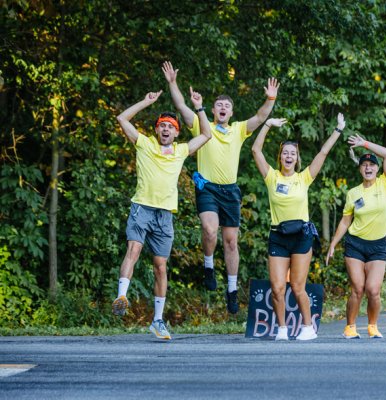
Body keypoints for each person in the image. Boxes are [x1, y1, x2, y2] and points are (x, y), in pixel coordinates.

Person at [163, 61, 279, 314]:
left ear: (232, 111)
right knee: (208, 228)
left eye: (227, 106)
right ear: (213, 110)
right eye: (219, 105)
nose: (223, 108)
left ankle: (232, 289)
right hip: (207, 188)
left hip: (230, 191)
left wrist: (270, 99)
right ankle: (207, 265)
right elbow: (182, 107)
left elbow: (260, 117)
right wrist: (173, 83)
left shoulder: (238, 129)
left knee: (230, 242)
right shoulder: (202, 124)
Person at [111, 90, 212, 340]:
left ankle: (157, 321)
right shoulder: (144, 144)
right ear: (157, 131)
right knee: (133, 250)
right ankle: (121, 295)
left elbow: (207, 134)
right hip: (142, 208)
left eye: (170, 126)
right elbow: (122, 119)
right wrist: (146, 102)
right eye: (162, 126)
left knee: (161, 267)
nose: (166, 129)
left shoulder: (180, 151)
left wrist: (199, 108)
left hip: (165, 215)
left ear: (177, 132)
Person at [251, 114, 346, 341]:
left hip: (301, 236)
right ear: (280, 157)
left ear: (297, 158)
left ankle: (307, 327)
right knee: (277, 287)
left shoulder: (304, 178)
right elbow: (255, 150)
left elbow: (322, 153)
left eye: (293, 153)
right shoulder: (271, 177)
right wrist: (267, 125)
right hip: (278, 236)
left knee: (297, 285)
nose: (289, 156)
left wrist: (338, 130)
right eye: (285, 153)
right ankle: (282, 329)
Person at [326, 136, 386, 339]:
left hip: (377, 246)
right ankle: (350, 327)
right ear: (360, 169)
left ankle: (372, 326)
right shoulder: (353, 193)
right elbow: (346, 221)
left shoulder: (385, 184)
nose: (368, 168)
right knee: (357, 288)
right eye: (364, 164)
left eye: (372, 165)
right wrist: (333, 244)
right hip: (355, 244)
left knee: (373, 290)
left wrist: (364, 144)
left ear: (377, 169)